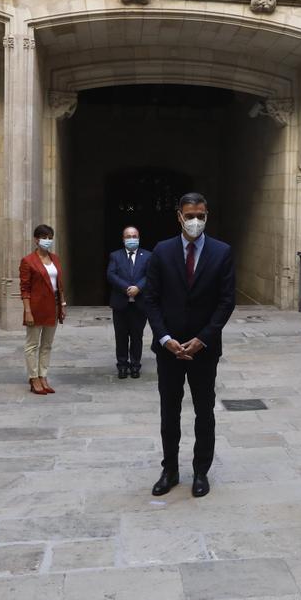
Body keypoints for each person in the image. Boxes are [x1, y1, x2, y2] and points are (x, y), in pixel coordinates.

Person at [144, 192, 236, 498]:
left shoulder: (222, 252)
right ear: (179, 216)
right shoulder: (161, 251)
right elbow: (151, 299)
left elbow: (226, 302)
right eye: (189, 215)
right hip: (169, 348)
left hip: (204, 348)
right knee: (169, 411)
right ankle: (169, 469)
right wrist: (165, 338)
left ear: (207, 215)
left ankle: (200, 471)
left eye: (200, 215)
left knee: (204, 411)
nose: (195, 221)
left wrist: (203, 338)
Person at [20, 224, 67, 395]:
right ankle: (33, 378)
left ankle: (43, 375)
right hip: (35, 307)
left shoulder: (55, 258)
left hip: (53, 307)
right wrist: (27, 310)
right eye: (44, 237)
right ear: (36, 239)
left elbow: (59, 284)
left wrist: (62, 304)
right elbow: (24, 288)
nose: (47, 240)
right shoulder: (28, 261)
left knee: (47, 345)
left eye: (50, 237)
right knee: (32, 345)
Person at [107, 226, 150, 379]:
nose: (132, 239)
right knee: (121, 336)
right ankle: (122, 365)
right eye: (128, 236)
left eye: (134, 236)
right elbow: (111, 274)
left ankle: (135, 365)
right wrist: (126, 288)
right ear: (123, 239)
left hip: (140, 303)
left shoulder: (148, 256)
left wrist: (139, 287)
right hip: (121, 303)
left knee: (137, 336)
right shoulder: (115, 256)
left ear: (138, 237)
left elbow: (150, 275)